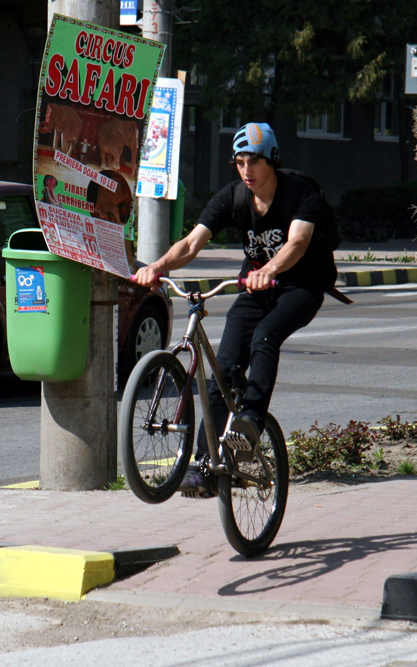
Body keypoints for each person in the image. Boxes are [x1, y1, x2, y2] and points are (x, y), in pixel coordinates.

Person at [133, 122, 337, 498]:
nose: (246, 170)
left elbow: (298, 242)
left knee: (265, 337)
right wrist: (158, 266)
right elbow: (192, 243)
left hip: (301, 285)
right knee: (221, 372)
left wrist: (271, 269)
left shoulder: (299, 194)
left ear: (272, 160)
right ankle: (205, 467)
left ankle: (251, 422)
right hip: (255, 286)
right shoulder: (233, 197)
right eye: (240, 162)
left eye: (254, 161)